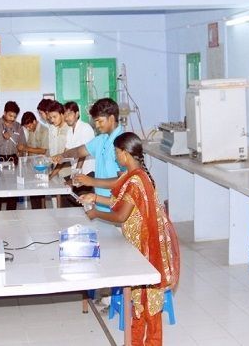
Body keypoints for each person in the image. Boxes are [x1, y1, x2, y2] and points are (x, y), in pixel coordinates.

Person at [81, 132, 180, 346]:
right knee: (138, 301)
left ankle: (151, 343)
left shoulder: (136, 180)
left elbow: (120, 215)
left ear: (125, 154)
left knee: (149, 304)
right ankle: (134, 342)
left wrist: (96, 212)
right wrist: (95, 197)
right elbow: (121, 202)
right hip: (137, 249)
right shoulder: (135, 175)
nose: (116, 156)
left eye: (117, 152)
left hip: (146, 250)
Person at [52, 98, 123, 212]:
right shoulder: (101, 139)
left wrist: (91, 181)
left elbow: (123, 181)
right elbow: (79, 151)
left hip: (117, 208)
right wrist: (63, 155)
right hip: (101, 205)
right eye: (95, 121)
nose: (97, 125)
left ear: (111, 118)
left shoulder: (123, 142)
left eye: (99, 121)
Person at [0, 101, 26, 210]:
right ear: (4, 112)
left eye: (14, 116)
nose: (12, 119)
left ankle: (12, 215)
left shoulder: (18, 127)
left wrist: (21, 149)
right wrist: (3, 137)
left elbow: (23, 144)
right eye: (10, 115)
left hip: (13, 159)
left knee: (12, 189)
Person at [61, 101, 95, 206]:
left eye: (69, 114)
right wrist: (55, 160)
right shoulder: (69, 131)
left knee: (84, 204)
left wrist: (76, 177)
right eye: (65, 115)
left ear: (77, 114)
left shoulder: (85, 128)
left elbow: (82, 154)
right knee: (64, 192)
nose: (67, 117)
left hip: (87, 173)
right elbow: (66, 153)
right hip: (76, 172)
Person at [47, 100, 71, 179]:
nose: (52, 120)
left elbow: (65, 155)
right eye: (50, 117)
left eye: (54, 117)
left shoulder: (69, 129)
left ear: (62, 114)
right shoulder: (54, 129)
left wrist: (51, 175)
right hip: (56, 171)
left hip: (67, 173)